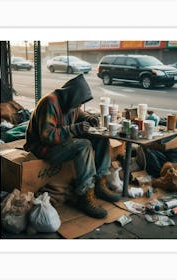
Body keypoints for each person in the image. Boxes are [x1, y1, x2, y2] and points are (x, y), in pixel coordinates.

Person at [24, 74, 120, 219]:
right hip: (43, 148)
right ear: (72, 96)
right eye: (79, 102)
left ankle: (100, 183)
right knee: (84, 145)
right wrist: (75, 129)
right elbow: (47, 136)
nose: (79, 106)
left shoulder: (70, 102)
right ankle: (84, 195)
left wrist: (89, 118)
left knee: (101, 139)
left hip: (60, 140)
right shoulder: (50, 103)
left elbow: (80, 114)